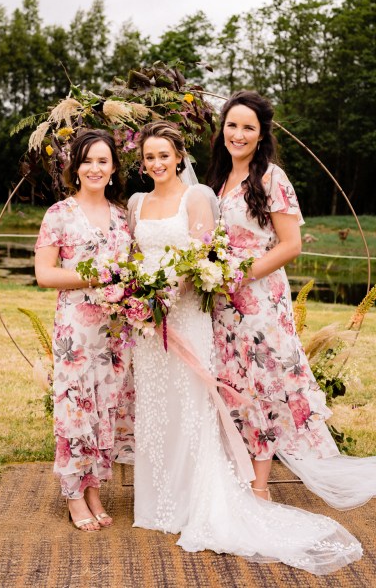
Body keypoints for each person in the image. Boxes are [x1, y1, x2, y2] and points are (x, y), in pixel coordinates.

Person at [127, 120, 362, 575]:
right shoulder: (156, 198)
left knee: (210, 399)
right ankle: (161, 498)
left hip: (200, 309)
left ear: (180, 157)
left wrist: (177, 288)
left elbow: (211, 253)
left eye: (164, 154)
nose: (156, 163)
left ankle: (228, 493)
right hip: (156, 320)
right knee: (160, 405)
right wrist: (138, 294)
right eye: (148, 157)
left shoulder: (247, 183)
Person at [207, 90, 376, 509]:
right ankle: (235, 474)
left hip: (260, 302)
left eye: (248, 127)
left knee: (263, 386)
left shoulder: (271, 178)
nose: (238, 133)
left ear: (261, 134)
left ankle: (260, 488)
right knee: (233, 385)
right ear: (222, 129)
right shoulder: (217, 179)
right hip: (222, 306)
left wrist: (240, 275)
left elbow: (290, 244)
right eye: (232, 125)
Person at [35, 130, 134, 532]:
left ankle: (95, 488)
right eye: (87, 161)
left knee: (105, 407)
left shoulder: (122, 216)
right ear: (75, 167)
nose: (95, 168)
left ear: (113, 169)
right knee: (76, 408)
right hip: (77, 330)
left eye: (103, 161)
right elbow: (44, 274)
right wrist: (95, 276)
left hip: (116, 331)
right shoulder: (59, 213)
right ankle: (74, 494)